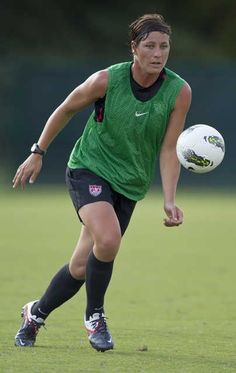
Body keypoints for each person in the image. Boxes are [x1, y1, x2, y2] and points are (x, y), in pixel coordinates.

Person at [13, 13, 192, 352]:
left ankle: (34, 315)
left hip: (131, 183)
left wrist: (169, 199)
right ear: (134, 49)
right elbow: (66, 108)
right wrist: (38, 151)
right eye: (150, 46)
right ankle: (95, 317)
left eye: (164, 46)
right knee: (108, 240)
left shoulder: (179, 91)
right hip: (88, 168)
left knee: (82, 265)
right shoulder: (106, 80)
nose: (158, 53)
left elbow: (170, 148)